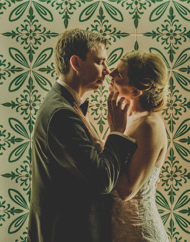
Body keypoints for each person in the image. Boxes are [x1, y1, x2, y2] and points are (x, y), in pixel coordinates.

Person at [29, 29, 138, 242]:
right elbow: (103, 180)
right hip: (70, 233)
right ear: (76, 63)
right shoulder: (62, 114)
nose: (107, 71)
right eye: (100, 62)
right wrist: (116, 132)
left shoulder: (61, 104)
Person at [108, 51, 170, 242]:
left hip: (138, 233)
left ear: (135, 91)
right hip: (119, 229)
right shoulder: (128, 116)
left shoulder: (149, 125)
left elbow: (127, 190)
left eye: (119, 73)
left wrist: (114, 135)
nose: (110, 73)